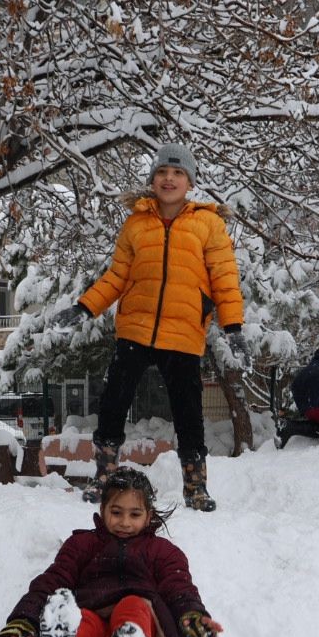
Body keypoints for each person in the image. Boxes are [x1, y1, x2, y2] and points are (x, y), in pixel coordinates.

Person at [49, 143, 247, 511]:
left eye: (177, 173)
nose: (169, 179)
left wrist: (233, 327)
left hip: (185, 333)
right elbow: (117, 276)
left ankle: (195, 485)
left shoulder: (208, 224)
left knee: (188, 412)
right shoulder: (137, 223)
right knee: (113, 403)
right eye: (162, 172)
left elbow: (225, 278)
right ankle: (104, 476)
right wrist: (84, 307)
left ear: (189, 182)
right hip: (136, 330)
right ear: (153, 179)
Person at [0, 468, 222, 637]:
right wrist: (26, 616)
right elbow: (56, 578)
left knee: (133, 606)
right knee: (83, 622)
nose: (124, 522)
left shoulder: (163, 552)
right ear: (102, 511)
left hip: (138, 614)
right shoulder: (82, 545)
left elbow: (178, 586)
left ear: (148, 515)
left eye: (134, 514)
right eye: (116, 512)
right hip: (94, 610)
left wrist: (191, 616)